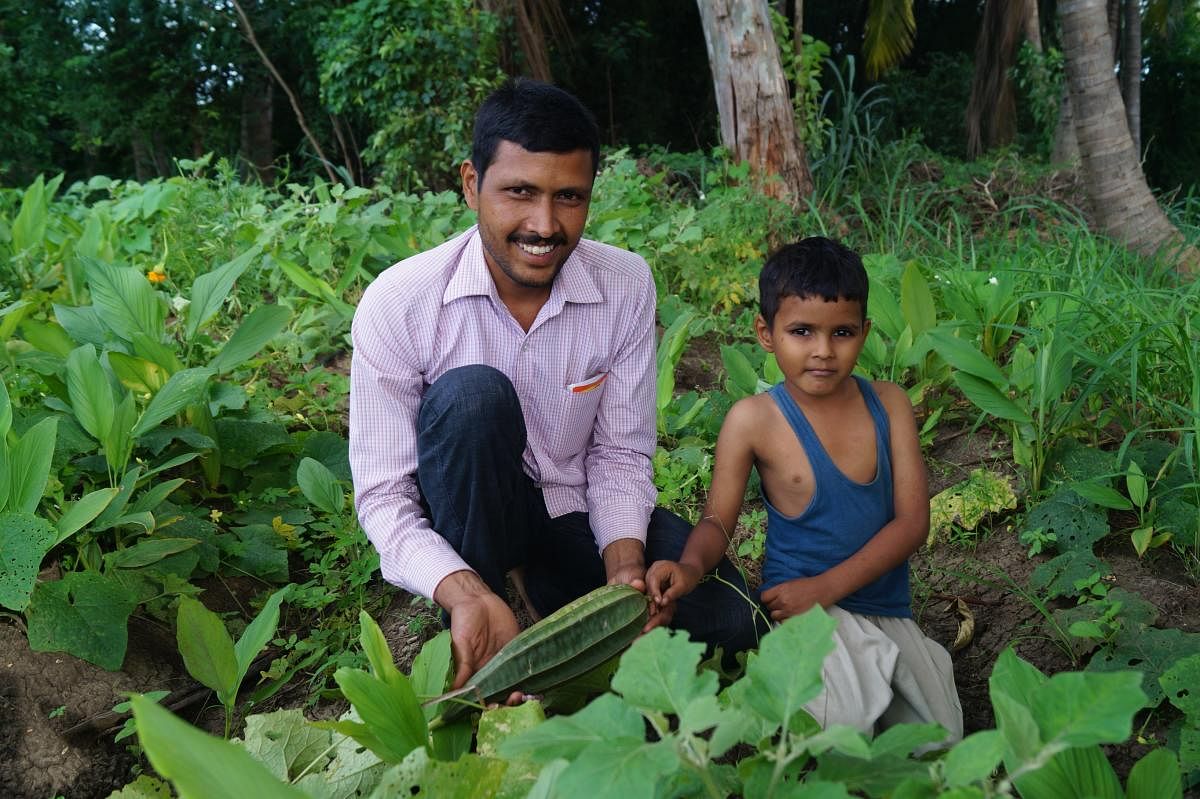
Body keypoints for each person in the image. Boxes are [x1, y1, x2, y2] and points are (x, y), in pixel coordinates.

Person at [349, 78, 756, 691]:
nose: (544, 225)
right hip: (470, 521)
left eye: (569, 196)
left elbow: (619, 451)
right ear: (470, 184)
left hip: (574, 511)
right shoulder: (400, 303)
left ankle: (541, 588)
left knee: (732, 618)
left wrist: (625, 562)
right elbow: (384, 495)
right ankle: (483, 603)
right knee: (471, 397)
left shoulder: (624, 283)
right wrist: (459, 588)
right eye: (519, 192)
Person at [645, 237, 963, 742]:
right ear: (766, 334)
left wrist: (827, 589)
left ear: (865, 331)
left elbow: (912, 524)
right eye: (801, 331)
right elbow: (716, 521)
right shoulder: (754, 420)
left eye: (841, 332)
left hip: (881, 607)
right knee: (841, 728)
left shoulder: (890, 404)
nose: (823, 351)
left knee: (939, 740)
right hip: (803, 612)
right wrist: (688, 567)